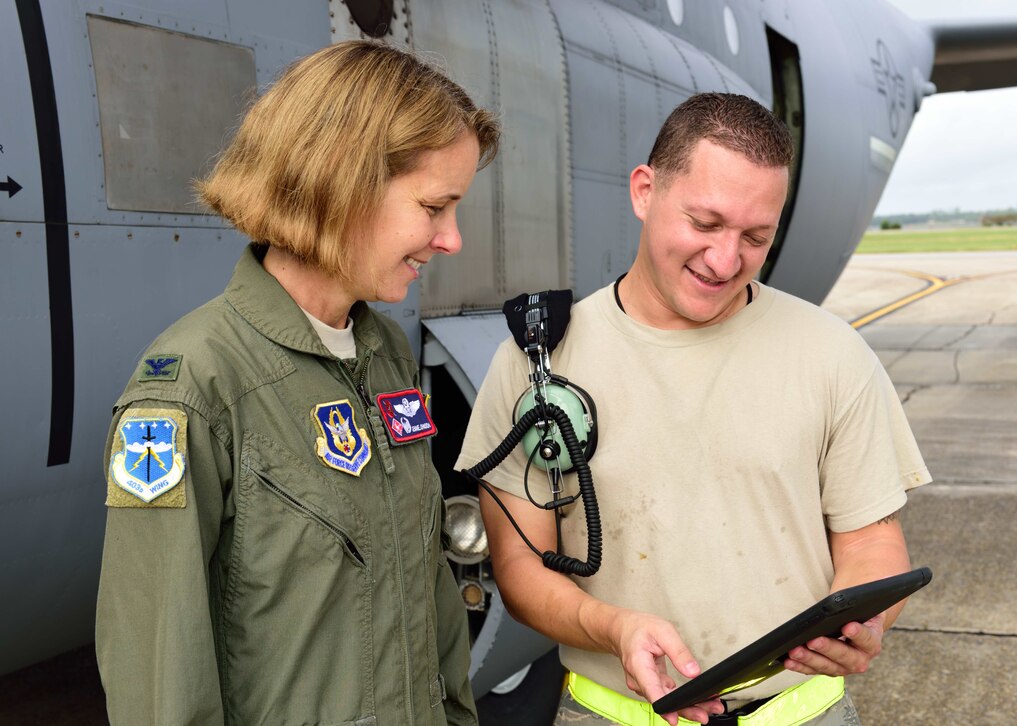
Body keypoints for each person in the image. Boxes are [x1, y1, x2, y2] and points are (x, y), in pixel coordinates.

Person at [455, 93, 930, 726]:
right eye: (705, 224)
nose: (725, 259)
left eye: (756, 237)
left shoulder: (832, 354)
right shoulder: (538, 363)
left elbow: (873, 544)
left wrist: (864, 621)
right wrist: (613, 627)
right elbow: (520, 571)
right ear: (645, 191)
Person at [96, 40, 499, 725]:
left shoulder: (385, 354)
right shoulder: (196, 386)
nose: (451, 238)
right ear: (341, 183)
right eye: (435, 207)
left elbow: (425, 586)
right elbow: (161, 679)